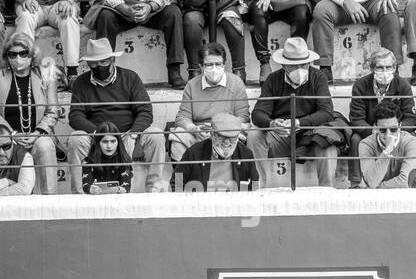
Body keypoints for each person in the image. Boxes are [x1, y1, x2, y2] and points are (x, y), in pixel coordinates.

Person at [65, 37, 166, 195]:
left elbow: (145, 111)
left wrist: (133, 134)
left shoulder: (130, 78)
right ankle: (80, 194)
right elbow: (75, 115)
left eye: (103, 62)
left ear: (113, 60)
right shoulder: (81, 82)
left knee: (156, 136)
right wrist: (98, 135)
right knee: (75, 139)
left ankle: (154, 192)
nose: (99, 66)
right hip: (96, 139)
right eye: (93, 63)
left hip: (128, 136)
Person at [248, 36, 349, 186]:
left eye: (304, 65)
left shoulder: (318, 77)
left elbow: (326, 112)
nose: (300, 70)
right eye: (294, 66)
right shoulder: (273, 79)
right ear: (284, 65)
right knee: (254, 135)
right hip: (282, 136)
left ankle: (326, 192)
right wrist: (272, 123)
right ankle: (260, 186)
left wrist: (299, 122)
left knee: (328, 144)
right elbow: (257, 113)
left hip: (311, 135)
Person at [167, 41, 254, 168]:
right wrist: (193, 129)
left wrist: (220, 128)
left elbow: (243, 116)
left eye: (218, 64)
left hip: (227, 132)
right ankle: (181, 183)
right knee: (177, 137)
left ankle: (228, 177)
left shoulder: (236, 83)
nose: (214, 69)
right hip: (199, 133)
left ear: (224, 64)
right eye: (209, 65)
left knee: (245, 131)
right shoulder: (191, 85)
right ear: (201, 66)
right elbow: (182, 117)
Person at [0, 32, 59, 196]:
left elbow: (52, 111)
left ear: (32, 54)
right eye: (12, 54)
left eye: (23, 53)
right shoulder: (0, 76)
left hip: (37, 136)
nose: (18, 58)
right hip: (8, 140)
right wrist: (12, 134)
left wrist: (37, 133)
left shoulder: (46, 74)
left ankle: (50, 201)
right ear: (7, 56)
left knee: (45, 145)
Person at [348, 45, 416, 181]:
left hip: (396, 130)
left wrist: (395, 131)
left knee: (412, 137)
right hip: (371, 132)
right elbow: (356, 118)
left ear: (394, 68)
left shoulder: (403, 85)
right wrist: (375, 132)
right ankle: (356, 182)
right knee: (355, 138)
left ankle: (411, 178)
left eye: (389, 67)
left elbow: (411, 117)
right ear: (372, 68)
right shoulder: (361, 86)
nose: (385, 71)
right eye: (380, 67)